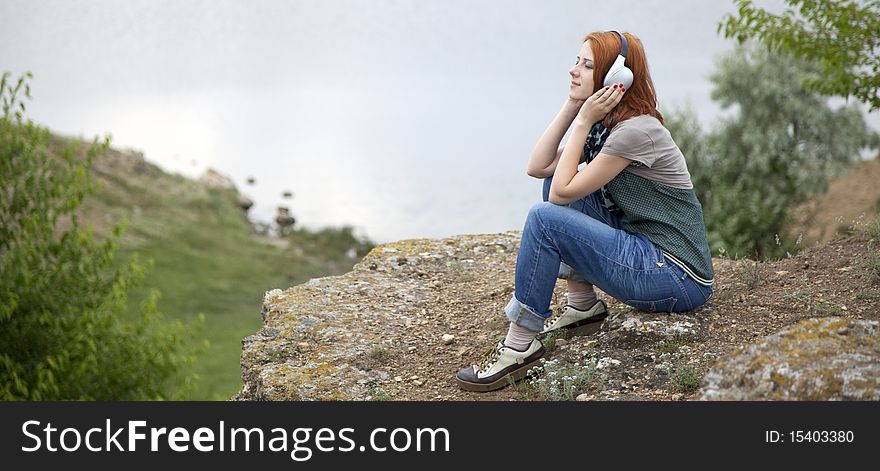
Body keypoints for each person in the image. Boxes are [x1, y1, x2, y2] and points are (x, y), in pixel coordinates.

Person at [456, 31, 714, 392]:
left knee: (544, 217)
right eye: (577, 61)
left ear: (615, 79)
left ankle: (519, 346)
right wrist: (574, 105)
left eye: (587, 65)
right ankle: (582, 307)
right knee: (552, 186)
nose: (573, 70)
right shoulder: (606, 125)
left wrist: (582, 120)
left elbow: (562, 194)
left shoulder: (636, 131)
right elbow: (539, 166)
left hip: (676, 276)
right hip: (648, 254)